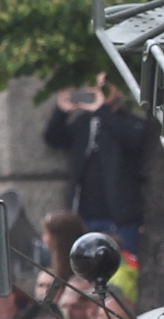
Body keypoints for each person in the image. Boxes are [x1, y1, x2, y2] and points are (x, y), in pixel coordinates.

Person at [43, 77, 149, 253]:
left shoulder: (130, 122)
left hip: (119, 218)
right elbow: (53, 138)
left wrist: (102, 110)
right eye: (96, 86)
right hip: (84, 216)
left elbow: (133, 140)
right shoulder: (84, 123)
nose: (100, 91)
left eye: (105, 86)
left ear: (119, 90)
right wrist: (61, 110)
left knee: (122, 264)